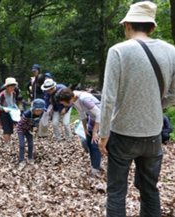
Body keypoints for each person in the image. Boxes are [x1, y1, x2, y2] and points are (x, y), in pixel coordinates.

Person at [98, 2, 175, 216]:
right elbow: (174, 94)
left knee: (116, 192)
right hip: (153, 135)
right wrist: (155, 104)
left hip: (122, 133)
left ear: (128, 25)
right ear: (152, 27)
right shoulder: (172, 52)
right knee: (150, 190)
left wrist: (103, 134)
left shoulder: (118, 51)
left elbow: (109, 98)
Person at [56, 88, 101, 177]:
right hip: (92, 119)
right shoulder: (75, 98)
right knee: (88, 142)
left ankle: (95, 171)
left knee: (95, 144)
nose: (64, 105)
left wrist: (95, 132)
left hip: (101, 119)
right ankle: (94, 166)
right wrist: (85, 129)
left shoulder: (85, 99)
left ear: (70, 98)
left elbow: (99, 114)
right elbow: (82, 114)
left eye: (64, 103)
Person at [17, 99, 45, 170]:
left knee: (31, 144)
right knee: (22, 145)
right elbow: (21, 124)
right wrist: (30, 129)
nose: (39, 112)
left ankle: (30, 159)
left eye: (40, 110)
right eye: (37, 110)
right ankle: (22, 160)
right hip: (22, 129)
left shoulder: (41, 114)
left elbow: (37, 122)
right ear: (33, 109)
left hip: (30, 129)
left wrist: (35, 130)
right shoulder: (27, 114)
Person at [0, 77, 18, 146]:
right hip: (4, 113)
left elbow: (13, 102)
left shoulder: (13, 93)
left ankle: (8, 141)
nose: (12, 89)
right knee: (6, 128)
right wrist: (3, 108)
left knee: (11, 128)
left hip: (11, 113)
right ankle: (6, 144)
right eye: (11, 87)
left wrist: (17, 109)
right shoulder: (2, 94)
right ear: (7, 87)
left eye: (13, 87)